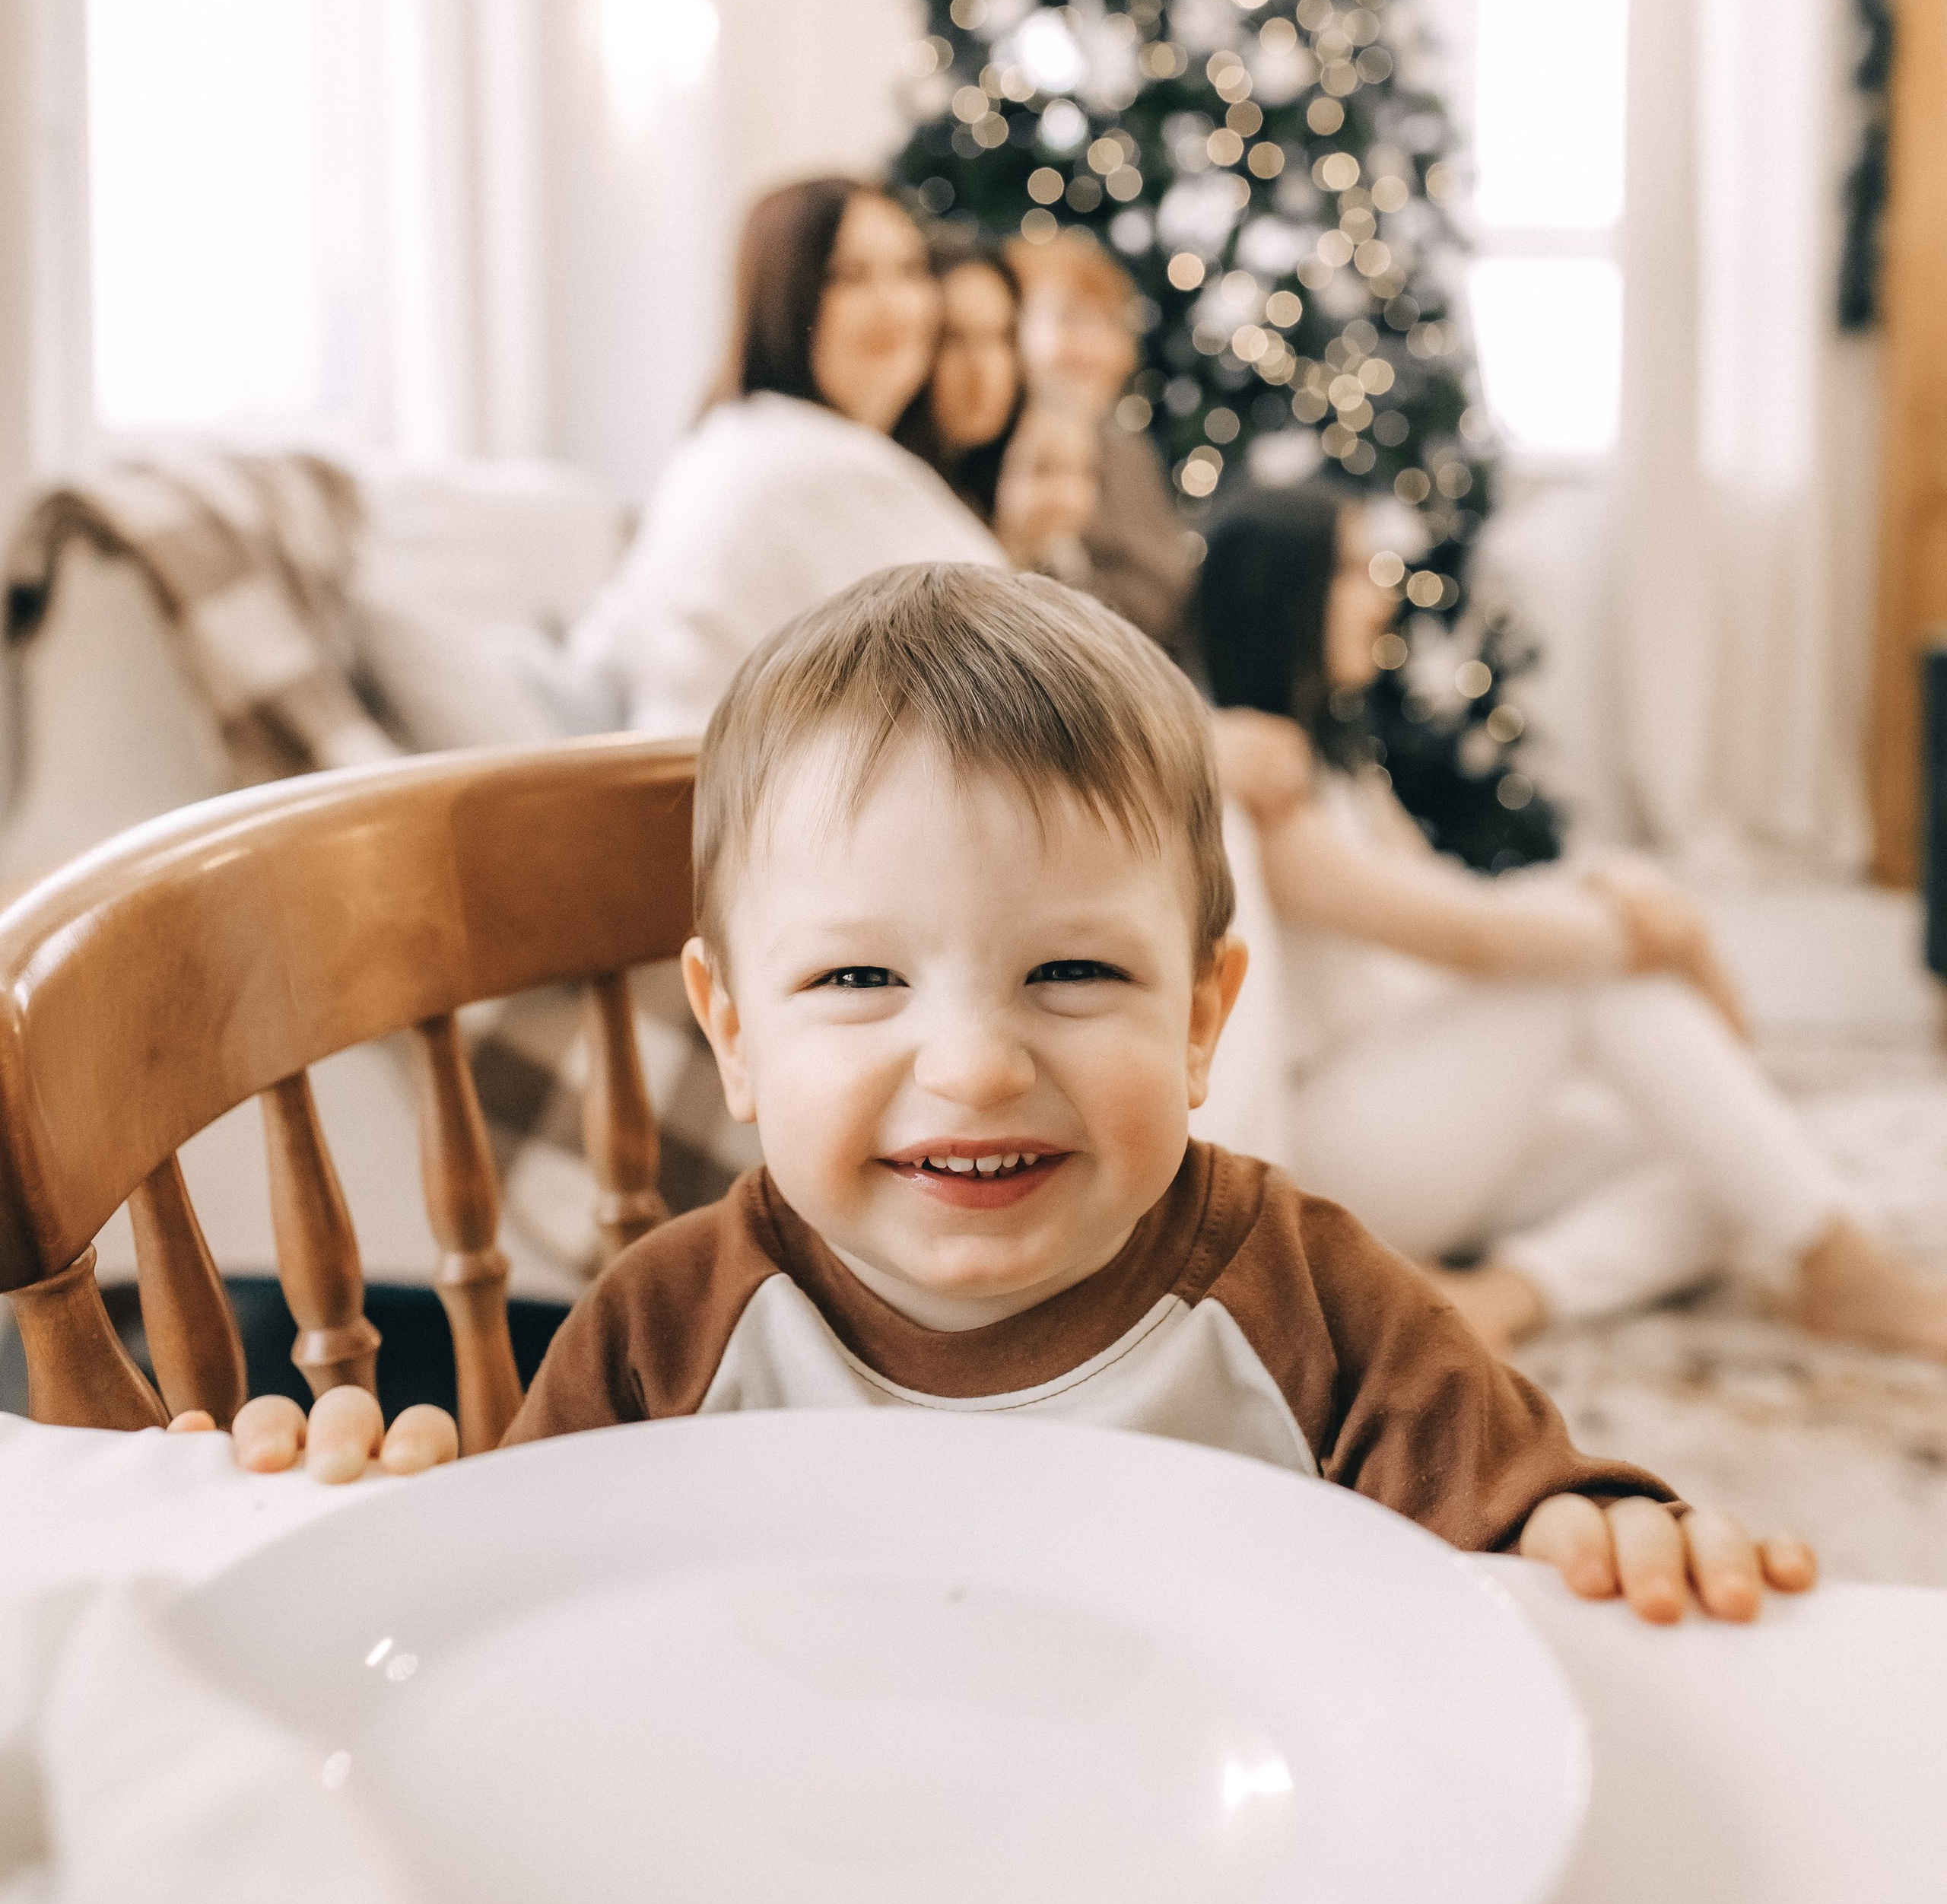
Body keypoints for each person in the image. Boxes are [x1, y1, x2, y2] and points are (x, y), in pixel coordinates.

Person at [213, 563, 1814, 1627]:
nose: (976, 1066)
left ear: (1201, 1020)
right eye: (859, 978)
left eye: (1072, 973)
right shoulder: (665, 1332)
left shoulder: (1311, 1300)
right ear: (733, 1032)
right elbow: (511, 1611)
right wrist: (368, 1496)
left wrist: (1597, 1533)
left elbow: (1525, 1515)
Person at [1197, 481, 1947, 1363]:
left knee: (1725, 1163)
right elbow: (1467, 940)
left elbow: (1453, 896)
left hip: (1417, 1120)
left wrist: (1607, 889)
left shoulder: (1341, 770)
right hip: (1339, 1144)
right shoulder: (1263, 801)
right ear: (1286, 598)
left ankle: (1509, 1293)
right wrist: (1653, 937)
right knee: (1591, 983)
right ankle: (1850, 1273)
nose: (1382, 592)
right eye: (1353, 572)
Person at [573, 173, 1006, 734]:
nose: (895, 306)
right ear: (785, 297)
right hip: (716, 777)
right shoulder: (819, 466)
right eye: (849, 277)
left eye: (910, 271)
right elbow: (1025, 658)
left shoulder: (729, 436)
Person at [1010, 227, 1196, 649]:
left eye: (1108, 323)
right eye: (1069, 319)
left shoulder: (1128, 450)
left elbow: (1170, 592)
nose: (1092, 348)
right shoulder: (998, 444)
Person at [895, 237, 1101, 576]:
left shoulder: (1005, 475)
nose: (983, 369)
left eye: (1001, 337)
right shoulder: (891, 486)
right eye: (954, 338)